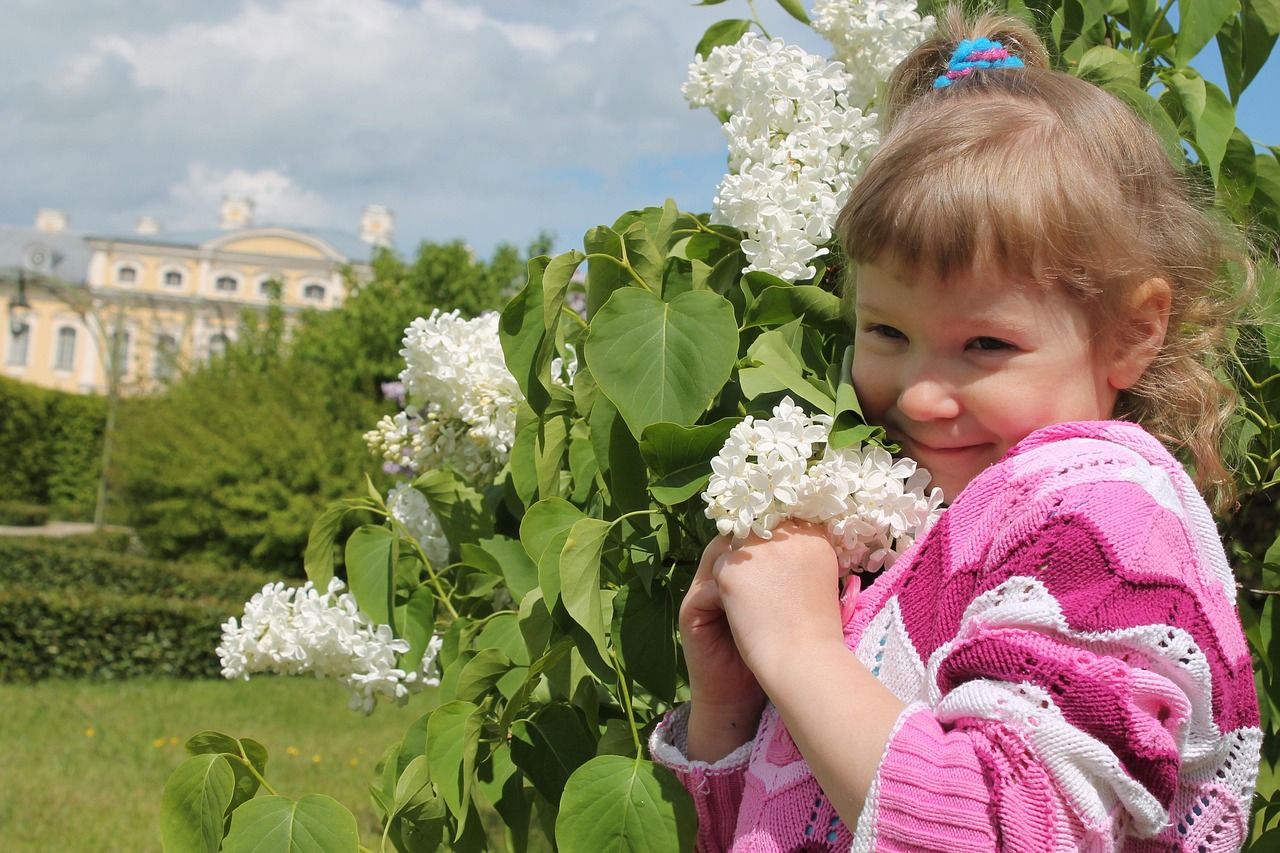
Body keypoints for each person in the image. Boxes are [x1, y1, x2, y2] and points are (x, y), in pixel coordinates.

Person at [649, 7, 1262, 851]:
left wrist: (798, 650)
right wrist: (733, 705)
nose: (922, 395)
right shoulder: (957, 535)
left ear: (1130, 330)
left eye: (985, 343)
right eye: (887, 333)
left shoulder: (1102, 522)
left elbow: (1002, 831)